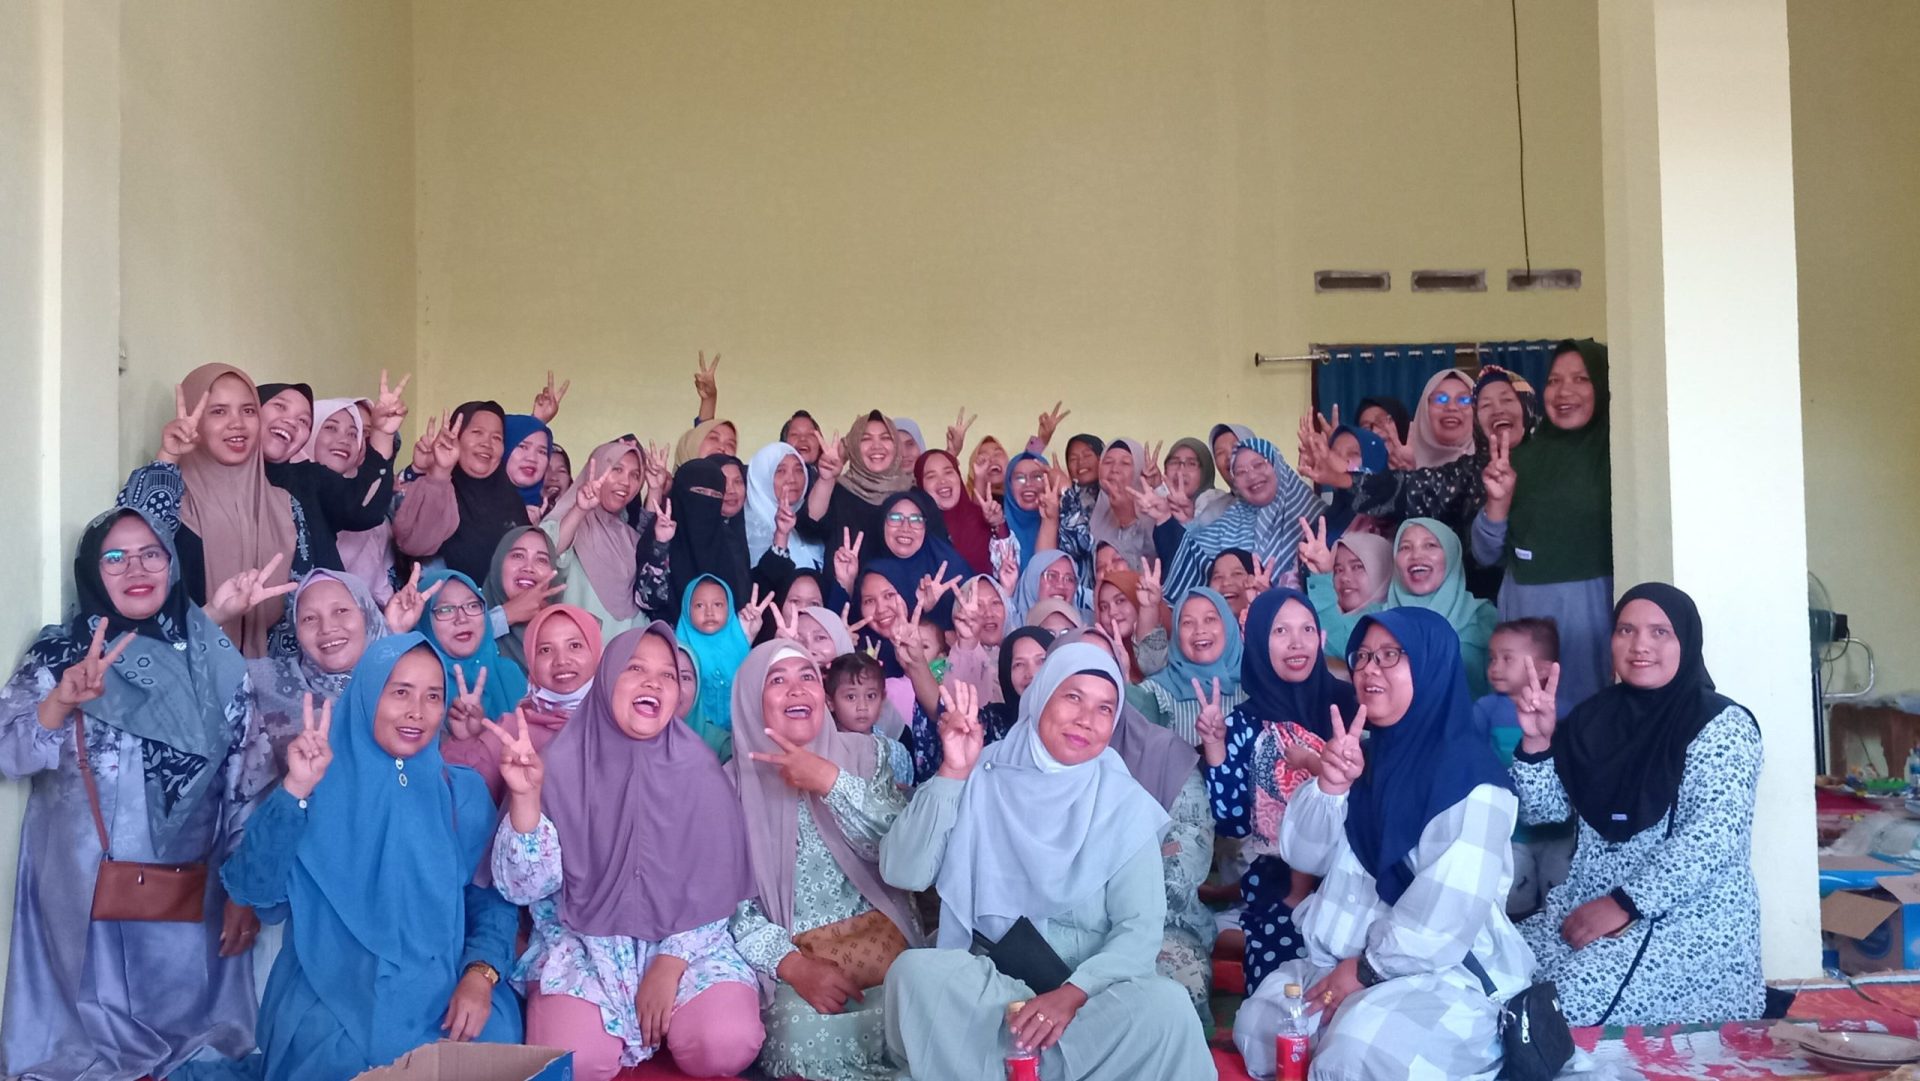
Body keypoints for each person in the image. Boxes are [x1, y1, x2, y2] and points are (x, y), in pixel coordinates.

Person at [1, 508, 260, 1080]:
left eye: (151, 553)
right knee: (83, 1047)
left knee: (189, 1043)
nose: (136, 569)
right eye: (114, 557)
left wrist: (244, 891)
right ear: (92, 571)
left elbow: (244, 783)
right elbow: (9, 754)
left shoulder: (215, 662)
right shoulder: (61, 654)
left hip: (190, 886)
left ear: (172, 564)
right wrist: (60, 701)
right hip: (78, 882)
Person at [879, 643, 1214, 1081]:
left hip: (1089, 998)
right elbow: (903, 871)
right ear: (1041, 697)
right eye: (1073, 697)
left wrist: (1072, 994)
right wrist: (953, 773)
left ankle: (1009, 1067)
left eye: (1104, 708)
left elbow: (1139, 929)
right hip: (995, 992)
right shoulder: (982, 773)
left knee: (1166, 1008)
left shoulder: (1124, 803)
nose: (1086, 720)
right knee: (914, 975)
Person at [1236, 608, 1530, 1080]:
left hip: (1434, 973)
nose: (1370, 669)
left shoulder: (1472, 781)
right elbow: (1304, 856)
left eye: (1391, 655)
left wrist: (1365, 971)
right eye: (1363, 656)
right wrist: (1330, 786)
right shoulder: (1362, 757)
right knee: (1259, 1028)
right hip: (1339, 961)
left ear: (1432, 667)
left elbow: (1444, 916)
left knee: (1352, 1054)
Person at [215, 635, 522, 1079]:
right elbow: (256, 892)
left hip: (440, 987)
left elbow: (492, 899)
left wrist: (480, 974)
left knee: (495, 1042)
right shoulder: (313, 788)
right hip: (331, 991)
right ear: (366, 696)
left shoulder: (461, 792)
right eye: (400, 692)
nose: (417, 712)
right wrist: (295, 790)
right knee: (343, 1059)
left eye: (432, 696)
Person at [489, 623, 765, 1080]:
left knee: (725, 1042)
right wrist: (525, 800)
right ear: (606, 679)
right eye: (635, 669)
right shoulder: (558, 762)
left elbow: (715, 887)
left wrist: (670, 963)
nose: (653, 683)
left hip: (686, 943)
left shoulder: (700, 770)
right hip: (585, 944)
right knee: (574, 1060)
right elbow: (524, 889)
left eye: (667, 674)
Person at [1509, 584, 1764, 1026]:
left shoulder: (1722, 725)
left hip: (1685, 922)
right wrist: (1537, 741)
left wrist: (1624, 903)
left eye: (1660, 632)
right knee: (1490, 966)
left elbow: (1712, 839)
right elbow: (1546, 812)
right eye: (1625, 630)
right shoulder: (1592, 718)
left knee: (1553, 1008)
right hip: (1586, 908)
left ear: (1687, 641)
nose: (1640, 645)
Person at [728, 640, 921, 1081]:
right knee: (798, 1037)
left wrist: (831, 781)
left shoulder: (868, 756)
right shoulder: (729, 787)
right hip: (800, 963)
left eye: (807, 677)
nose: (797, 689)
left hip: (887, 949)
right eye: (778, 680)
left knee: (927, 1010)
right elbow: (728, 904)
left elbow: (901, 853)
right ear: (752, 698)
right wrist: (793, 966)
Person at [1053, 626, 1215, 1026]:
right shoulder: (1024, 763)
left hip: (1157, 925)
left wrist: (1099, 920)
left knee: (1174, 984)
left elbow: (1183, 866)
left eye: (1103, 667)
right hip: (1050, 927)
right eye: (1076, 673)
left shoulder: (1165, 755)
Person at [1197, 589, 1355, 993]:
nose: (1297, 642)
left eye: (1306, 629)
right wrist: (1215, 746)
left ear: (1320, 637)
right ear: (1258, 641)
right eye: (1280, 631)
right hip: (1277, 885)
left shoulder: (1350, 709)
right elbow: (1231, 821)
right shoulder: (1245, 723)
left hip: (1351, 880)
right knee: (1276, 1001)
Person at [118, 363, 300, 657]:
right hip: (180, 667)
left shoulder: (285, 506)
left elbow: (299, 601)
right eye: (218, 411)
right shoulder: (172, 499)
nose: (237, 423)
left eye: (248, 410)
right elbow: (130, 548)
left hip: (266, 673)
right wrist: (168, 456)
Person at [1475, 339, 1616, 710]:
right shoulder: (1520, 460)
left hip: (1591, 614)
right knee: (1521, 724)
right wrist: (1498, 502)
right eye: (1554, 380)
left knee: (1586, 717)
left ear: (1603, 385)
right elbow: (1485, 555)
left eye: (1581, 379)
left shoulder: (1619, 454)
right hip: (1524, 616)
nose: (1564, 391)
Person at [240, 569, 391, 796]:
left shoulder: (406, 684)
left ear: (367, 614)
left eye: (341, 611)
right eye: (309, 618)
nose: (327, 628)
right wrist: (218, 614)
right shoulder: (265, 681)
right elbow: (198, 676)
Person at [443, 604, 603, 802]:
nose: (561, 660)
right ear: (531, 661)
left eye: (575, 646)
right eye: (545, 650)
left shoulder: (617, 722)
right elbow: (459, 796)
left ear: (597, 652)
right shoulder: (512, 731)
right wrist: (464, 741)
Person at [1479, 618, 1576, 918]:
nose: (1495, 667)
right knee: (1511, 902)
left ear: (1544, 670)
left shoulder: (1564, 711)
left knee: (1560, 899)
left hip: (1559, 831)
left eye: (1507, 658)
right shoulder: (1485, 709)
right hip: (1510, 829)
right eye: (1492, 658)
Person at [1161, 436, 1319, 600]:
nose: (1251, 476)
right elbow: (1193, 559)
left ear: (1277, 465)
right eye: (1240, 472)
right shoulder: (1229, 521)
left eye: (1258, 465)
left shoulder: (1313, 513)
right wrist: (1172, 520)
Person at [393, 400, 532, 584]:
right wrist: (440, 472)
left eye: (497, 438)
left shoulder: (511, 499)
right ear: (456, 437)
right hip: (445, 600)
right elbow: (414, 545)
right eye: (477, 432)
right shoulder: (433, 487)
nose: (487, 443)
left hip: (506, 602)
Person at [544, 438, 671, 635]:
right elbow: (548, 552)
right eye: (617, 469)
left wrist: (655, 489)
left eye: (635, 475)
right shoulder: (569, 523)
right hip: (578, 646)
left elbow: (646, 553)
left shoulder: (626, 534)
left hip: (626, 647)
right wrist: (580, 509)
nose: (625, 482)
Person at [297, 398, 399, 604]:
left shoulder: (364, 501)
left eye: (354, 434)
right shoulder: (285, 491)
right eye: (331, 428)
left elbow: (378, 585)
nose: (344, 440)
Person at [1386, 518, 1497, 696]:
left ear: (1452, 554)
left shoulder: (1484, 617)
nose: (1416, 555)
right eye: (1405, 547)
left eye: (1430, 545)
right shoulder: (1377, 620)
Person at [800, 411, 914, 567]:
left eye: (885, 438)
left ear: (897, 446)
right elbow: (809, 529)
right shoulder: (839, 492)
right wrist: (826, 479)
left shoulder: (912, 495)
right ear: (854, 446)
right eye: (865, 439)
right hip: (842, 583)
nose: (876, 446)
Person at [1140, 588, 1246, 746]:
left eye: (1209, 619)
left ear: (1228, 626)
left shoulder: (1252, 691)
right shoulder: (1156, 693)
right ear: (1177, 634)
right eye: (1188, 623)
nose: (1200, 630)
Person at [678, 574, 752, 760]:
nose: (709, 612)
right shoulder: (677, 650)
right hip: (693, 739)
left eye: (718, 604)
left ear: (730, 608)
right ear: (687, 609)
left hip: (742, 738)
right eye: (699, 605)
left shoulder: (741, 643)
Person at [666, 457, 752, 615]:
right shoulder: (664, 536)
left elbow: (739, 600)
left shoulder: (728, 541)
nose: (706, 500)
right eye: (700, 492)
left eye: (715, 494)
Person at [1299, 528, 1393, 666]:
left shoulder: (1386, 620)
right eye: (1338, 570)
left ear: (1381, 569)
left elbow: (1346, 644)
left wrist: (1321, 578)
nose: (1344, 578)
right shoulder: (1326, 612)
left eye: (1357, 567)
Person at [479, 526, 567, 667]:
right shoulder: (462, 617)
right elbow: (447, 648)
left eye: (541, 560)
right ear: (498, 564)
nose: (528, 567)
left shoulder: (571, 631)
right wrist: (505, 616)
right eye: (518, 556)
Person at [826, 652, 913, 787]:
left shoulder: (895, 752)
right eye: (851, 697)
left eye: (871, 696)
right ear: (830, 702)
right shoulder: (824, 749)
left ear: (882, 698)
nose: (862, 706)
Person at [914, 448, 1004, 576]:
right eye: (931, 476)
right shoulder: (916, 528)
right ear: (920, 485)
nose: (942, 481)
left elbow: (1008, 567)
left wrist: (999, 524)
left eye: (948, 472)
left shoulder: (983, 517)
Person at [749, 441, 825, 570]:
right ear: (762, 478)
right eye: (780, 471)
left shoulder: (809, 521)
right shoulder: (753, 530)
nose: (792, 479)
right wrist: (781, 536)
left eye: (799, 470)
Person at [1406, 368, 1478, 468]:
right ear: (1425, 408)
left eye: (1464, 400)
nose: (1452, 407)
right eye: (1440, 399)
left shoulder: (1492, 465)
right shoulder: (1400, 461)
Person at [1159, 437, 1232, 527]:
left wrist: (1189, 521)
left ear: (1205, 471)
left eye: (1191, 464)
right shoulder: (1157, 503)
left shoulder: (1220, 506)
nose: (1180, 472)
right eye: (1174, 462)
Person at [501, 413, 555, 511]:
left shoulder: (550, 510)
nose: (532, 458)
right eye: (523, 446)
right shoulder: (475, 501)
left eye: (542, 452)